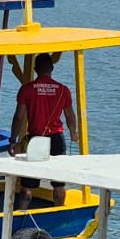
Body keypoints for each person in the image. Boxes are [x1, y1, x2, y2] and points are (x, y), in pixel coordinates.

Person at [11, 53, 80, 209]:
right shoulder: (63, 90)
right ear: (52, 68)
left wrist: (13, 140)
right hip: (56, 138)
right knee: (59, 183)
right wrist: (73, 134)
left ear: (35, 69)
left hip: (36, 139)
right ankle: (58, 212)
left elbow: (19, 117)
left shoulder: (27, 89)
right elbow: (70, 115)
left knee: (28, 185)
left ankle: (21, 214)